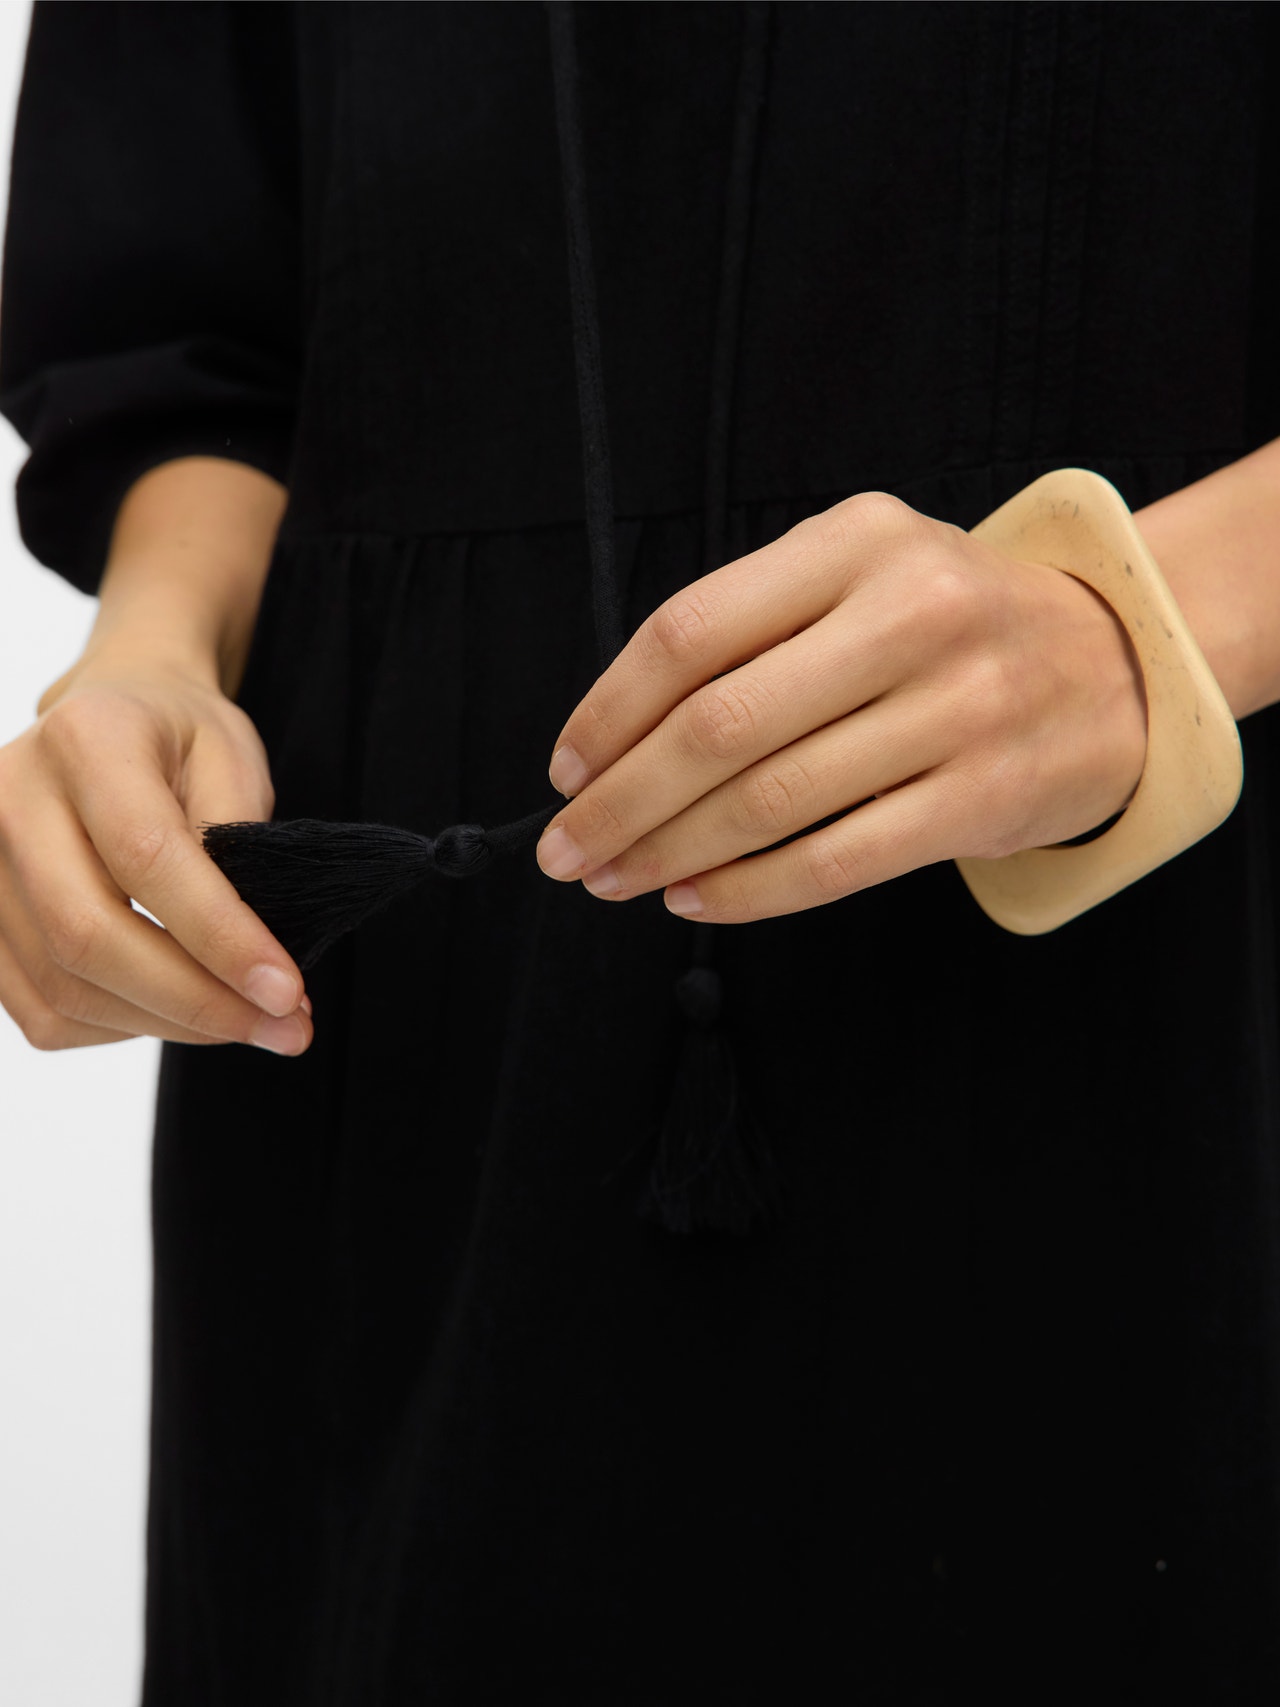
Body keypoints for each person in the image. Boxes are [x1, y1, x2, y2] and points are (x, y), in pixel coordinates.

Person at [1, 1, 1278, 1699]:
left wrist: (1156, 620)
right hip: (419, 1067)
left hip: (1179, 939)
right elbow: (195, 297)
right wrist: (152, 652)